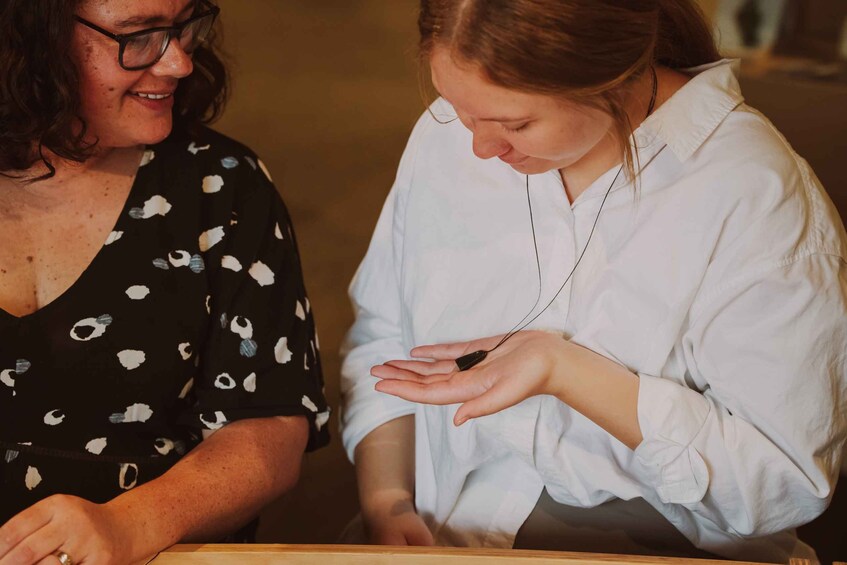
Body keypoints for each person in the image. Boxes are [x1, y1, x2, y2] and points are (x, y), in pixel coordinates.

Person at [340, 0, 847, 561]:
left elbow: (781, 484)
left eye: (517, 124)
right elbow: (385, 333)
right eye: (460, 110)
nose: (481, 147)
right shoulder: (446, 134)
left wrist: (568, 370)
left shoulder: (754, 197)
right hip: (448, 521)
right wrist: (387, 498)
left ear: (612, 78)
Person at [0, 1, 330, 563]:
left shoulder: (220, 186)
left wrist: (129, 524)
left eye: (183, 27)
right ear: (27, 39)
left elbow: (269, 425)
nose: (178, 62)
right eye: (138, 35)